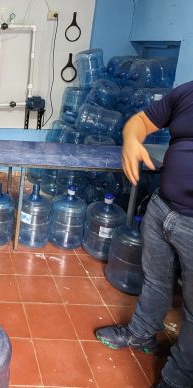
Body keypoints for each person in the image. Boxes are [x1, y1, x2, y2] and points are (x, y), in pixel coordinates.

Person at [95, 82, 193, 388]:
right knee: (155, 280)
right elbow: (140, 121)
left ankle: (176, 379)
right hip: (163, 209)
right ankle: (141, 334)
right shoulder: (187, 93)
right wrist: (131, 140)